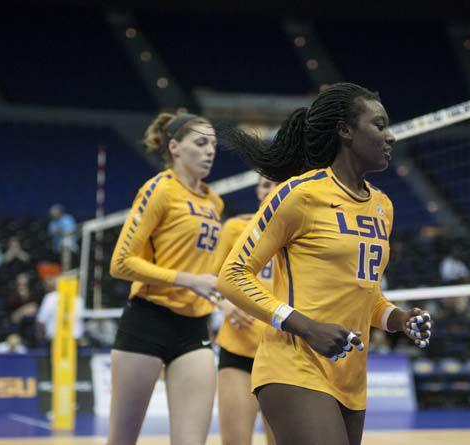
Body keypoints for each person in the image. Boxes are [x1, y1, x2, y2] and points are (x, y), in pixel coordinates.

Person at [217, 83, 432, 445]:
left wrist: (398, 318)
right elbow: (232, 276)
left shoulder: (383, 206)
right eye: (379, 125)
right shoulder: (300, 194)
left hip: (350, 375)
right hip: (293, 365)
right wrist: (306, 327)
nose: (391, 136)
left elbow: (367, 292)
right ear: (346, 131)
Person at [107, 112, 222, 445]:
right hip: (148, 321)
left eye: (213, 144)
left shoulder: (214, 201)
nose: (210, 151)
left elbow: (207, 268)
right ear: (175, 147)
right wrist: (187, 279)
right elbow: (121, 263)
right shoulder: (159, 189)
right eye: (200, 143)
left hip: (194, 328)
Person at [213, 177, 277, 445]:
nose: (268, 189)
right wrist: (227, 305)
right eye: (264, 184)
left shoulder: (304, 235)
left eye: (275, 183)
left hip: (283, 356)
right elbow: (211, 279)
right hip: (239, 350)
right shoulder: (236, 227)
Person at [48, 204, 77, 269]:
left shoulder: (67, 219)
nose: (52, 214)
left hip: (69, 244)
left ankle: (66, 268)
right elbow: (51, 233)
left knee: (65, 242)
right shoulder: (52, 222)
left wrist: (60, 232)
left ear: (59, 212)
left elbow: (70, 232)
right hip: (57, 246)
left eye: (54, 212)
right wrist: (59, 232)